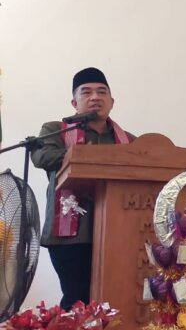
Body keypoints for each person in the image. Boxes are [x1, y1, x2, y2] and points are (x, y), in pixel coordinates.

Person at [31, 67, 134, 310]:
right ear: (74, 103)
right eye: (86, 92)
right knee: (77, 299)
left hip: (117, 233)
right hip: (70, 234)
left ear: (112, 102)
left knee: (114, 298)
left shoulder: (129, 141)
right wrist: (83, 155)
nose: (95, 97)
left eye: (102, 92)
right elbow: (42, 157)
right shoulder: (56, 130)